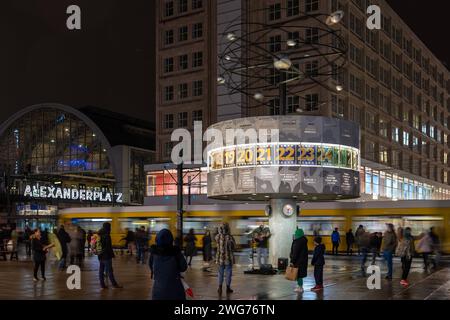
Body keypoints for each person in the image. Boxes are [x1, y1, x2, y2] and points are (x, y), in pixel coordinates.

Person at [149, 229, 188, 300]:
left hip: (158, 291)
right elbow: (184, 267)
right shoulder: (176, 252)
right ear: (171, 240)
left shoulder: (154, 253)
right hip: (175, 290)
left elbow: (151, 266)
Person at [98, 222, 122, 289]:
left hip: (100, 255)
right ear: (108, 227)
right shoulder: (107, 235)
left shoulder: (99, 234)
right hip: (106, 256)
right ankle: (115, 285)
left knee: (101, 270)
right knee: (110, 271)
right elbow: (108, 247)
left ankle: (102, 285)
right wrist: (112, 255)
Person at [215, 223, 236, 294]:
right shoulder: (230, 237)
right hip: (228, 258)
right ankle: (228, 288)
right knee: (228, 273)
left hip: (220, 258)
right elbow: (233, 247)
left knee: (220, 273)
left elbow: (217, 246)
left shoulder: (217, 237)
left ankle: (220, 288)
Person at [290, 228, 308, 293]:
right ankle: (299, 286)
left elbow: (295, 252)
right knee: (299, 274)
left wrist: (292, 261)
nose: (295, 235)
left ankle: (300, 287)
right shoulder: (304, 241)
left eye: (296, 233)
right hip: (302, 261)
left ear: (298, 234)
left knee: (299, 274)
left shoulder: (298, 242)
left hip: (298, 261)